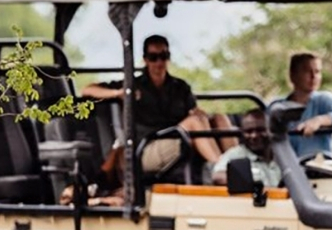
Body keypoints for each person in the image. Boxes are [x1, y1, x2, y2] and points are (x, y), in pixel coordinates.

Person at [81, 35, 230, 173]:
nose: (159, 62)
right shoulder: (133, 85)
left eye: (163, 56)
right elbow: (87, 90)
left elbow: (194, 114)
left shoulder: (180, 87)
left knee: (218, 118)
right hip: (147, 148)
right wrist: (120, 93)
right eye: (154, 57)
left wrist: (200, 115)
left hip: (178, 140)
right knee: (193, 123)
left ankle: (242, 164)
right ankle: (222, 171)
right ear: (145, 59)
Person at [269, 52, 332, 159]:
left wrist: (319, 121)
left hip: (320, 165)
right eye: (307, 71)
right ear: (293, 75)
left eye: (317, 72)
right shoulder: (277, 105)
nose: (314, 77)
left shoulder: (324, 100)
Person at [211, 110, 284, 188]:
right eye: (249, 132)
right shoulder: (235, 155)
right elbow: (218, 177)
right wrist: (251, 182)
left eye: (260, 130)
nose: (254, 136)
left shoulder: (282, 155)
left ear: (271, 131)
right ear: (242, 133)